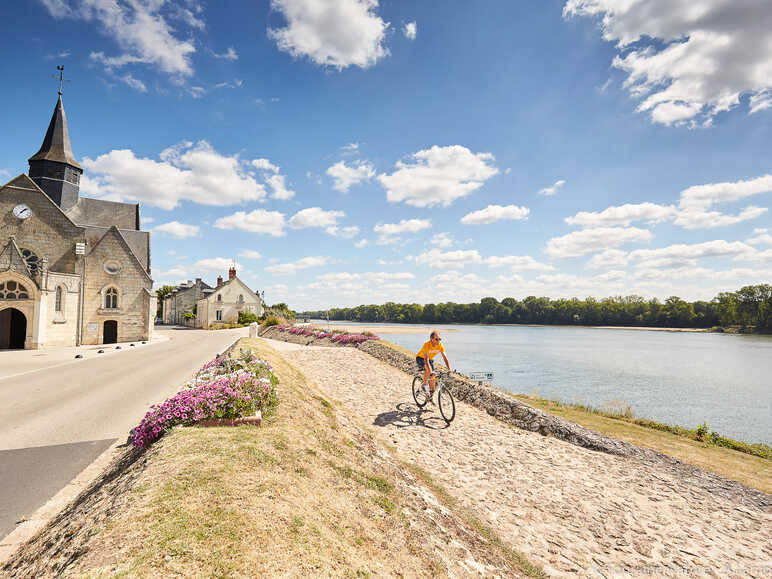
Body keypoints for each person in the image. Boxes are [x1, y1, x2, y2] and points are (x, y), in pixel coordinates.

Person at [415, 331, 450, 398]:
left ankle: (431, 397)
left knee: (433, 378)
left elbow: (445, 358)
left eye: (440, 339)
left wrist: (449, 369)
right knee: (428, 370)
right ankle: (424, 385)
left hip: (430, 360)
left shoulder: (440, 345)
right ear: (432, 339)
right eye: (436, 339)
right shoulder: (426, 345)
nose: (438, 341)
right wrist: (430, 371)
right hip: (421, 358)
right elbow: (426, 360)